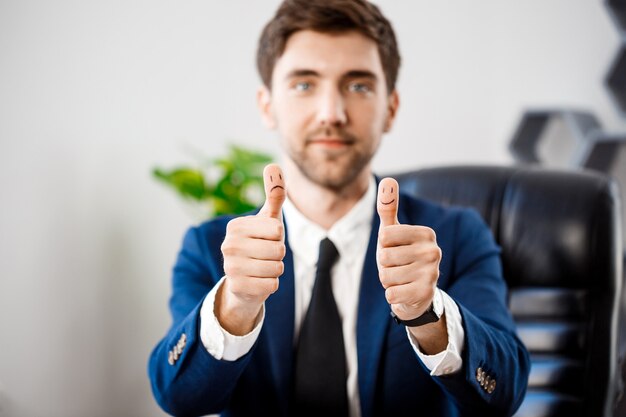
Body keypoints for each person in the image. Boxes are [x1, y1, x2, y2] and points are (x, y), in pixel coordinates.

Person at [148, 0, 530, 416]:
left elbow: (504, 391)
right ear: (266, 105)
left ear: (391, 108)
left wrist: (427, 315)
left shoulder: (454, 237)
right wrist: (234, 306)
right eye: (304, 84)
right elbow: (178, 396)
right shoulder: (212, 248)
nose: (332, 114)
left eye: (359, 85)